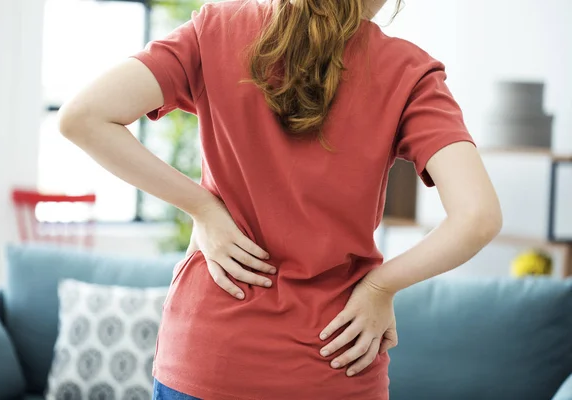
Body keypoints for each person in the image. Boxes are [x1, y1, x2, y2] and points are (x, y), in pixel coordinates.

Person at [58, 0, 502, 398]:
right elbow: (477, 217)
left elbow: (83, 117)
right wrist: (379, 286)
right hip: (335, 361)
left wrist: (203, 208)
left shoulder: (214, 30)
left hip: (211, 357)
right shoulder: (410, 73)